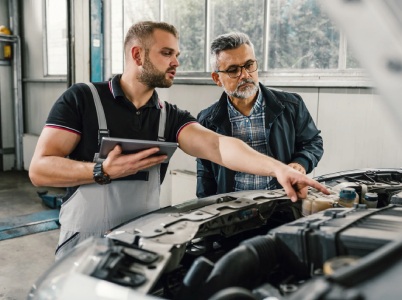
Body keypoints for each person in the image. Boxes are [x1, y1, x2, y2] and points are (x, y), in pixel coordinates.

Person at [29, 21, 328, 260]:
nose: (176, 62)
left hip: (141, 245)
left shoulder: (168, 116)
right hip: (83, 245)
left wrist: (279, 169)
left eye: (177, 55)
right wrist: (101, 171)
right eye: (167, 53)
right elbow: (39, 169)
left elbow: (219, 146)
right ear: (138, 55)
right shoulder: (82, 99)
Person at [196, 32, 324, 199]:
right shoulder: (207, 121)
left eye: (249, 65)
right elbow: (205, 174)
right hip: (232, 209)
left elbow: (313, 142)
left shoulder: (292, 105)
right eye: (233, 70)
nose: (245, 75)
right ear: (217, 78)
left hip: (282, 201)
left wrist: (301, 162)